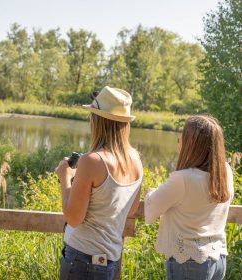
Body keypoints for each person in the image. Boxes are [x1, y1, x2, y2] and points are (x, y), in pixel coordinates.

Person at [55, 86, 143, 280]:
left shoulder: (91, 160)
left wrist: (65, 178)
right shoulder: (135, 159)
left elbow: (73, 218)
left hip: (82, 259)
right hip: (110, 260)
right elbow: (131, 209)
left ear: (98, 120)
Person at [144, 115, 234, 280]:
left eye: (183, 137)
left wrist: (150, 193)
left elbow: (151, 211)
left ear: (191, 144)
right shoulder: (225, 171)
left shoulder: (183, 178)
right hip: (218, 258)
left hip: (189, 262)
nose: (179, 140)